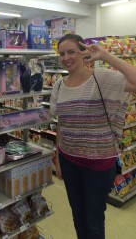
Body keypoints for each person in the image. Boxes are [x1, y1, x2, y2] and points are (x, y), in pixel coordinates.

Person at [50, 34, 136, 239]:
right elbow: (61, 124)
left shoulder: (102, 78)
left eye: (71, 51)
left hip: (98, 164)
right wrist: (58, 157)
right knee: (78, 215)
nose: (66, 57)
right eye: (62, 53)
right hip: (69, 160)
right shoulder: (59, 86)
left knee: (94, 219)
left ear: (83, 51)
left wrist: (106, 56)